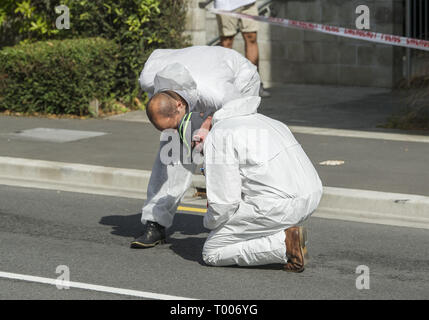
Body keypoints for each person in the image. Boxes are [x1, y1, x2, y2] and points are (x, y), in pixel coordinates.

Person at [130, 45, 260, 249]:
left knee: (226, 150)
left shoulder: (216, 91)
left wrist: (208, 126)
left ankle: (234, 223)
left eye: (174, 125)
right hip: (198, 75)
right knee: (171, 152)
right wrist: (182, 134)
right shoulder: (150, 79)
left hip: (239, 82)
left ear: (180, 105)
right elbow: (158, 54)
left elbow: (233, 111)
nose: (174, 131)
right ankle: (156, 221)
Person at [201, 95, 323, 272]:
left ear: (209, 119)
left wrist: (210, 223)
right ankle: (282, 233)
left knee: (212, 250)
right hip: (312, 195)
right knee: (247, 218)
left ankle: (285, 243)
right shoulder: (270, 122)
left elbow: (224, 203)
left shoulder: (219, 134)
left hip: (278, 205)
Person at [214, 0, 271, 97]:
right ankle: (225, 85)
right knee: (226, 41)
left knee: (251, 38)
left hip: (248, 3)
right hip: (225, 4)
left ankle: (254, 84)